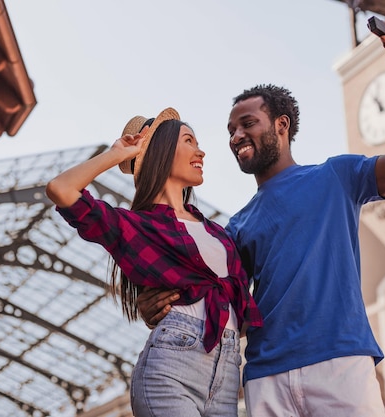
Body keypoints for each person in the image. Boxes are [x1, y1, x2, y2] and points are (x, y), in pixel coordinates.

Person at [139, 23, 385, 417]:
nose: (235, 136)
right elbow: (225, 309)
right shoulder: (236, 227)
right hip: (265, 378)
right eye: (231, 129)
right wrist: (165, 308)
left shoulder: (337, 176)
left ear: (281, 125)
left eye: (248, 123)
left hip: (341, 363)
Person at [45, 108, 263, 417]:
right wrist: (118, 153)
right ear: (161, 152)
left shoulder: (218, 233)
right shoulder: (135, 226)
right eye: (189, 140)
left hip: (227, 370)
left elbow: (238, 312)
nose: (200, 151)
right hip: (172, 369)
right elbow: (61, 190)